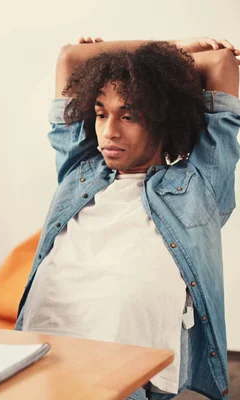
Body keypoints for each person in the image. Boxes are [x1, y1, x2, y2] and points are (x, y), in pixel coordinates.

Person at [16, 37, 240, 400]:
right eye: (102, 113)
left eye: (130, 115)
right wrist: (172, 49)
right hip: (34, 362)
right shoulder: (80, 172)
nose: (109, 132)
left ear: (164, 117)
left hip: (121, 377)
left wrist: (163, 66)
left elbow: (220, 63)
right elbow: (71, 57)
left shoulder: (198, 186)